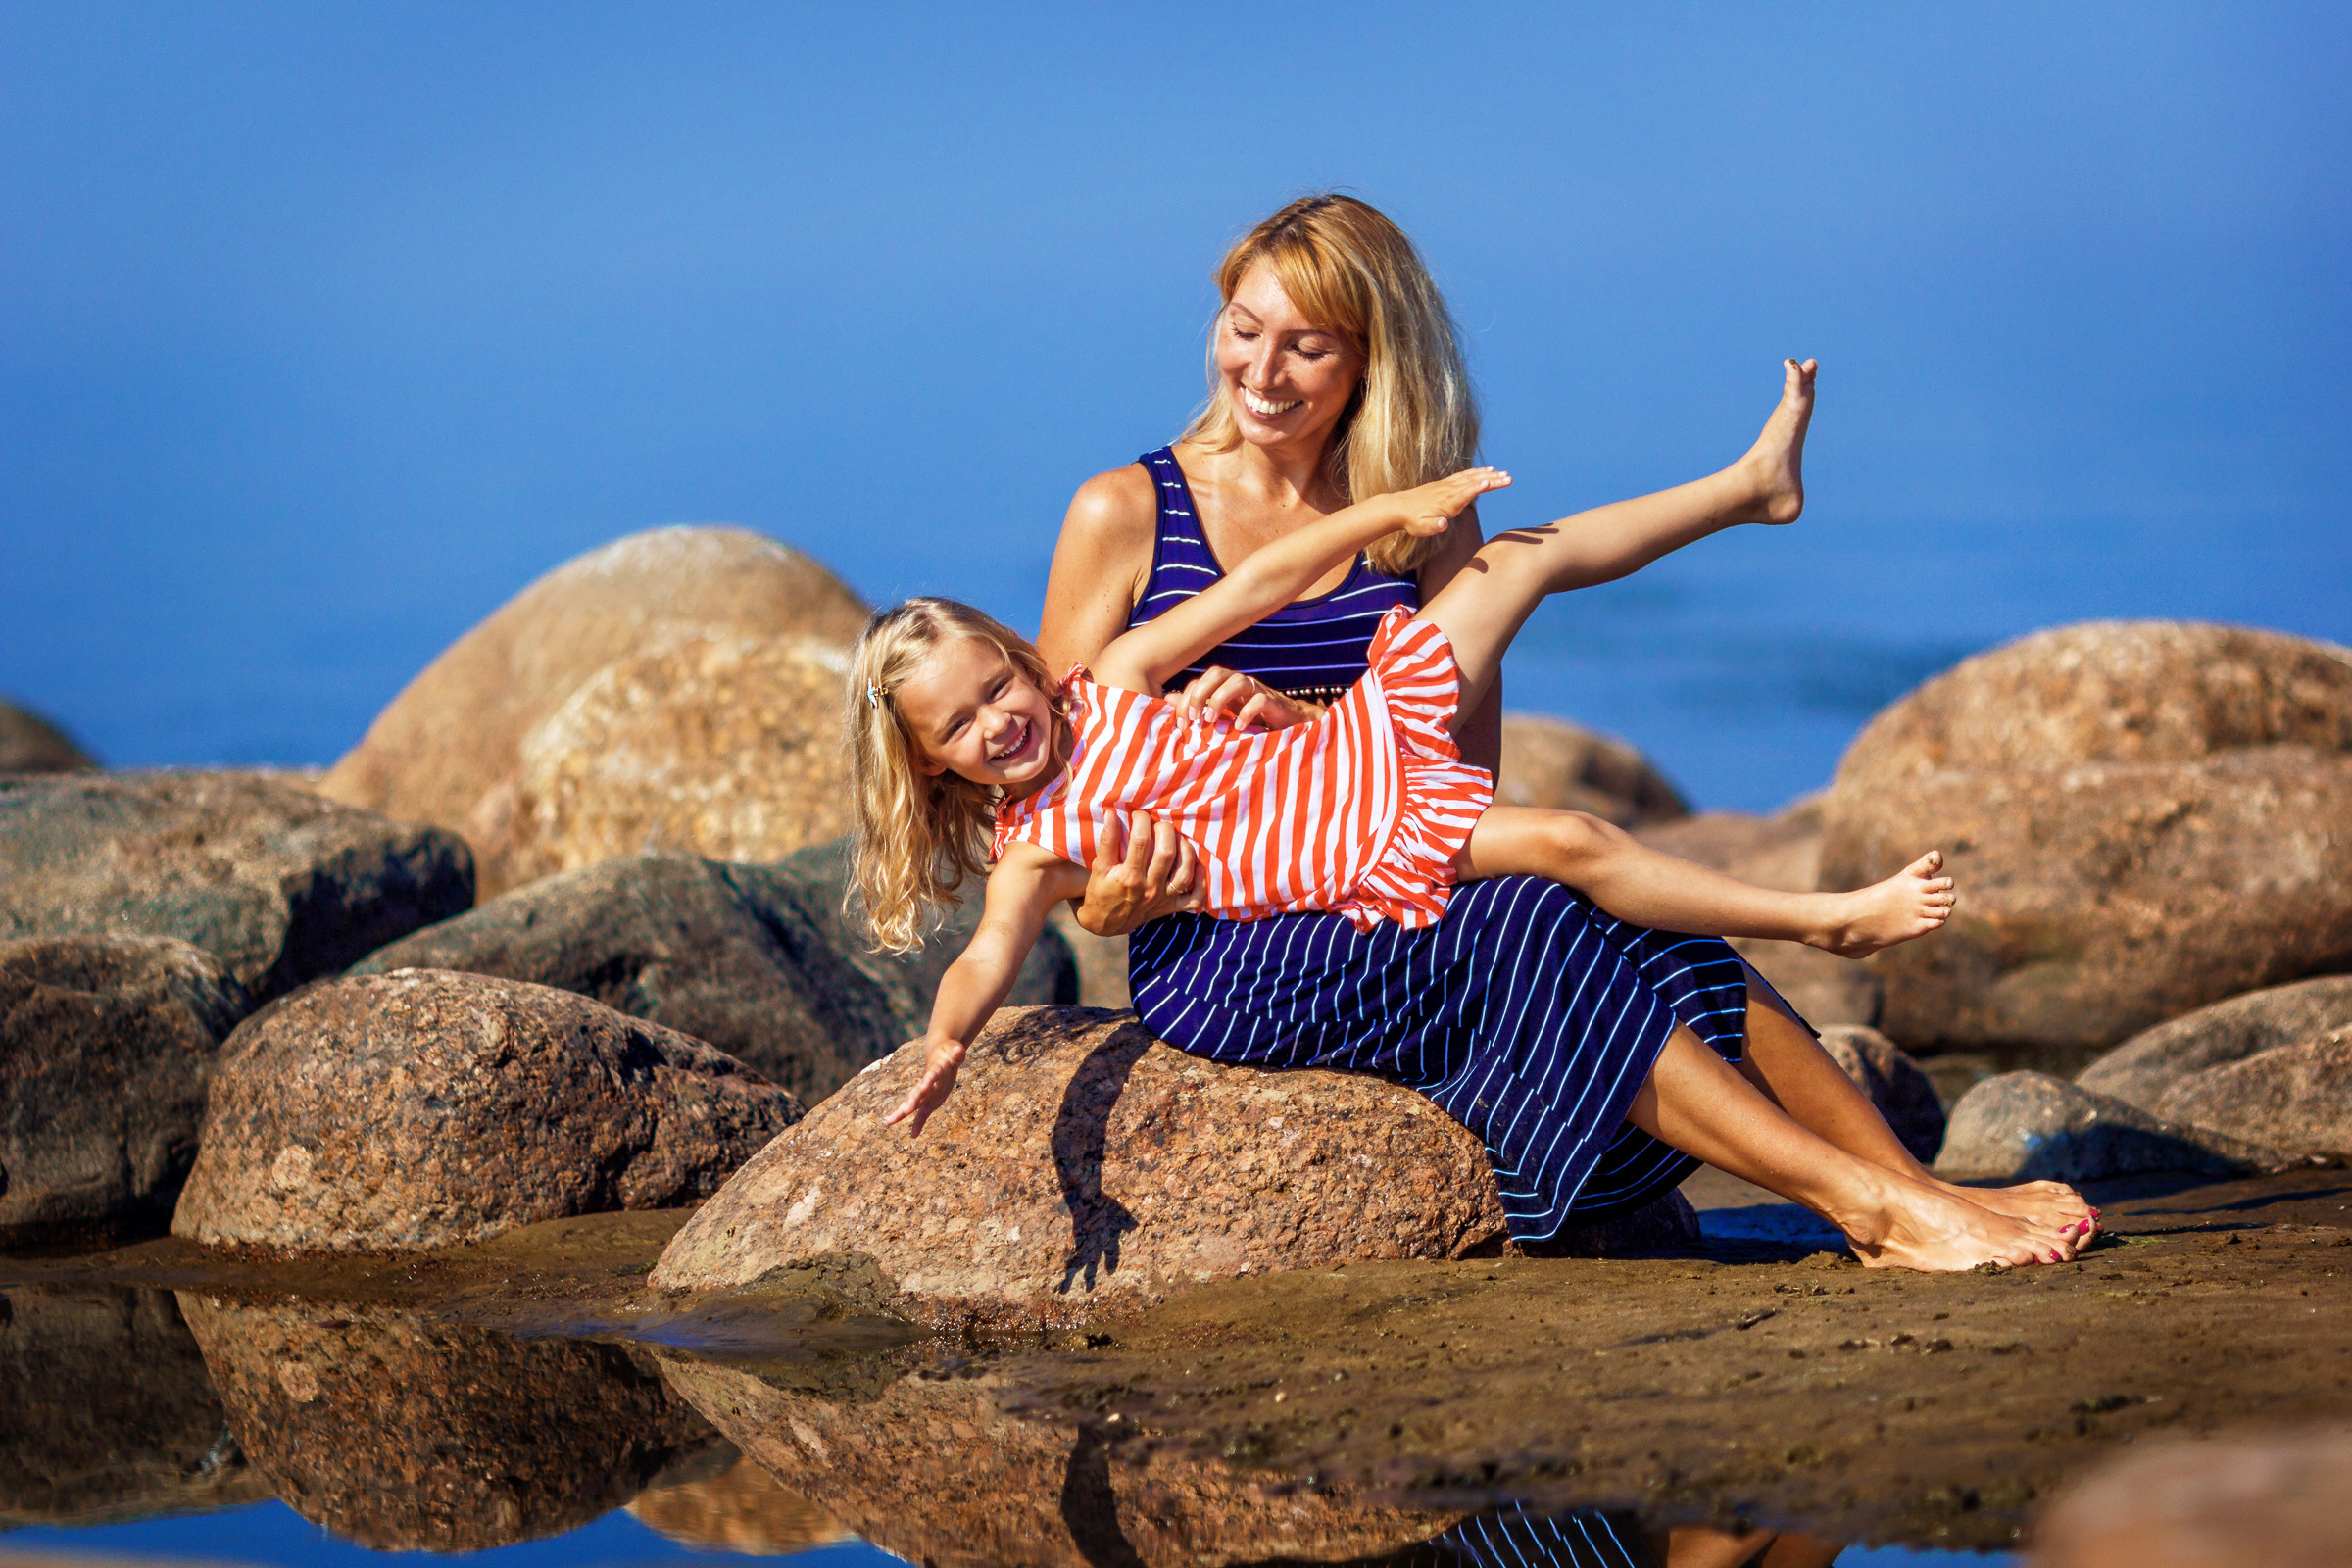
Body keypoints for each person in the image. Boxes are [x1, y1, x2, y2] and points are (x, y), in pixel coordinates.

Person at [965, 194, 2091, 1269]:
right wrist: (1117, 893)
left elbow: (1464, 775)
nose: (1261, 371)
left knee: (1645, 921)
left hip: (1369, 854)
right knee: (1526, 911)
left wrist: (1296, 728)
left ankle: (1913, 1189)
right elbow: (1056, 789)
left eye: (1305, 346)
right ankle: (1866, 1206)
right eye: (1243, 328)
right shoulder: (1124, 511)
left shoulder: (1416, 515)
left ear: (1369, 354)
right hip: (1224, 945)